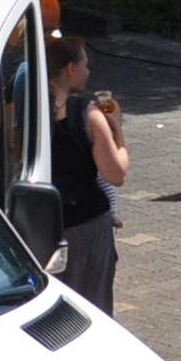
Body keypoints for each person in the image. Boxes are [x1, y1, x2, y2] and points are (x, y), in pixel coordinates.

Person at [48, 31, 129, 313]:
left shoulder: (21, 107)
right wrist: (116, 129)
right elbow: (115, 174)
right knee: (92, 306)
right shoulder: (88, 114)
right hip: (85, 222)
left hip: (42, 221)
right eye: (85, 65)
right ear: (70, 68)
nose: (88, 71)